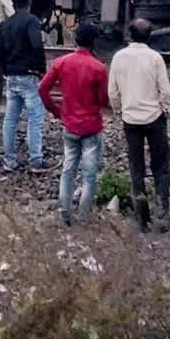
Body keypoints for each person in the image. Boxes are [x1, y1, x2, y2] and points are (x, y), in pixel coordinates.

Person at [108, 18, 170, 232]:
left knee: (136, 168)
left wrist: (119, 110)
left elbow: (112, 91)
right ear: (150, 36)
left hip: (130, 120)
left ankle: (142, 218)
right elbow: (164, 90)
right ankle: (162, 212)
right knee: (161, 166)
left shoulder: (118, 57)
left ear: (130, 35)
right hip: (154, 118)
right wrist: (166, 108)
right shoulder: (155, 58)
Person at [40, 22, 108, 225]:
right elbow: (103, 100)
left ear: (76, 39)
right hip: (91, 125)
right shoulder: (99, 67)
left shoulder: (61, 62)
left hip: (69, 124)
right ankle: (84, 215)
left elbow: (42, 89)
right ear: (93, 42)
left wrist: (56, 111)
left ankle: (64, 211)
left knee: (68, 168)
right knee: (89, 173)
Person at [0, 0, 50, 172]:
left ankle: (9, 160)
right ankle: (35, 160)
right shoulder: (31, 21)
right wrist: (41, 69)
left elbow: (0, 51)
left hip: (11, 76)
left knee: (10, 119)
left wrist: (6, 70)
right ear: (29, 2)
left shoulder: (4, 24)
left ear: (12, 3)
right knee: (35, 119)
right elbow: (36, 45)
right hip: (28, 76)